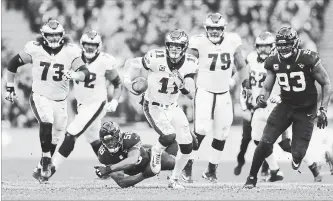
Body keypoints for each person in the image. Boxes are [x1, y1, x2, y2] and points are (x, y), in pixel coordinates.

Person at [244, 26, 331, 189]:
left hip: (306, 110)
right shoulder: (273, 60)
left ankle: (299, 159)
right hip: (285, 106)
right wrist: (262, 97)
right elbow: (267, 87)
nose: (283, 48)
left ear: (295, 43)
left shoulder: (308, 58)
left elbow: (326, 83)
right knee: (264, 142)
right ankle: (251, 178)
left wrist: (323, 109)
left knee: (298, 154)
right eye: (281, 45)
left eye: (287, 44)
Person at [5, 19, 89, 182]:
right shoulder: (34, 49)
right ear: (43, 35)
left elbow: (84, 71)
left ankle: (40, 168)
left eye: (56, 35)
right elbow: (13, 63)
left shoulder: (70, 51)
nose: (53, 38)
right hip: (40, 95)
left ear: (62, 35)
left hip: (60, 100)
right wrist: (10, 86)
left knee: (57, 136)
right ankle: (45, 158)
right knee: (47, 118)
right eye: (50, 35)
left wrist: (76, 75)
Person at [41, 30, 122, 182]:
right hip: (82, 104)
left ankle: (50, 169)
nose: (90, 48)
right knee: (94, 138)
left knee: (72, 132)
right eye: (87, 44)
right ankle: (117, 168)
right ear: (82, 44)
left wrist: (115, 100)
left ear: (99, 45)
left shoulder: (105, 61)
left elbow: (117, 83)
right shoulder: (74, 57)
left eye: (93, 45)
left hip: (97, 103)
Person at [123, 29, 199, 189]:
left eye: (178, 46)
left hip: (173, 107)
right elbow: (130, 63)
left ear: (184, 47)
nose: (174, 49)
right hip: (153, 105)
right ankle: (156, 153)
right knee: (169, 135)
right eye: (171, 45)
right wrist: (129, 83)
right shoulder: (155, 57)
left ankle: (174, 180)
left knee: (188, 146)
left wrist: (183, 86)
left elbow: (191, 94)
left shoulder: (190, 62)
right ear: (167, 45)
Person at [182, 13, 247, 183]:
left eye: (218, 28)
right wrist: (186, 81)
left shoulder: (232, 40)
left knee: (222, 132)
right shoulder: (198, 42)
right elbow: (187, 62)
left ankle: (211, 170)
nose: (215, 31)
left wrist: (245, 83)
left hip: (224, 92)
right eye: (211, 28)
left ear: (223, 28)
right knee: (201, 129)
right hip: (204, 91)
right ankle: (187, 165)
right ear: (206, 28)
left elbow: (241, 64)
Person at [94, 121, 177, 188]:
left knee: (174, 163)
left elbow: (132, 160)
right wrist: (144, 175)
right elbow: (121, 182)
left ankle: (181, 152)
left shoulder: (129, 138)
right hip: (138, 169)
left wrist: (108, 169)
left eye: (113, 139)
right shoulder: (103, 155)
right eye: (107, 141)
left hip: (150, 156)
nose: (110, 143)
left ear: (119, 135)